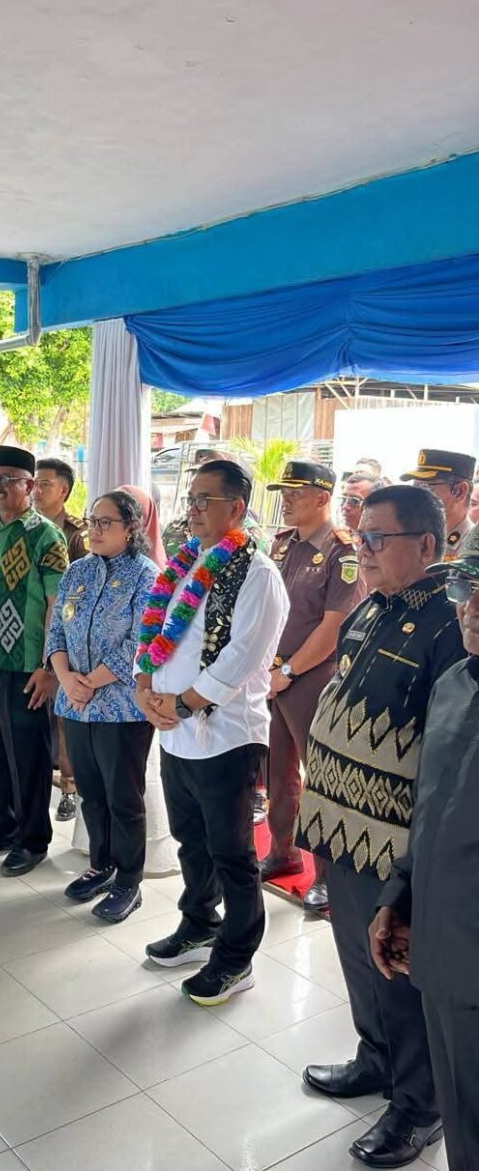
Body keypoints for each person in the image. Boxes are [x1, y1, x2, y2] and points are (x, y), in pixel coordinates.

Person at [295, 486, 465, 1169]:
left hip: (393, 838)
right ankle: (376, 1057)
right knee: (358, 957)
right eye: (359, 535)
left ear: (425, 544)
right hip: (342, 825)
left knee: (398, 969)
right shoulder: (372, 607)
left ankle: (420, 1105)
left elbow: (448, 744)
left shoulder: (450, 622)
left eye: (376, 539)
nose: (360, 549)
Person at [135, 460, 289, 1005]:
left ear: (237, 508)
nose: (194, 509)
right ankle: (199, 922)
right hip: (175, 731)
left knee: (232, 853)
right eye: (191, 498)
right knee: (191, 840)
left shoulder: (257, 573)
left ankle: (236, 959)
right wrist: (143, 686)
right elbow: (154, 635)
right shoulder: (185, 563)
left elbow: (242, 659)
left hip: (226, 736)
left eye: (206, 499)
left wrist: (181, 703)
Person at [371, 526, 479, 1171]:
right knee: (462, 1117)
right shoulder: (458, 682)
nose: (473, 608)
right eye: (469, 587)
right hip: (443, 951)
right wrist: (400, 898)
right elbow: (431, 812)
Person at [260, 461, 366, 915]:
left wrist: (288, 671)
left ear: (323, 497)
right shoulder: (283, 544)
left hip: (313, 677)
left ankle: (326, 875)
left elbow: (334, 627)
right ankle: (282, 851)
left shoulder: (343, 552)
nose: (286, 500)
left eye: (295, 493)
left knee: (319, 778)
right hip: (273, 677)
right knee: (277, 773)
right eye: (284, 492)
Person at [47, 490, 156, 922]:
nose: (94, 529)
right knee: (91, 792)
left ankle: (129, 880)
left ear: (131, 528)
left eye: (105, 522)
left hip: (122, 707)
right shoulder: (78, 571)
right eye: (92, 521)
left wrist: (91, 681)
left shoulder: (146, 576)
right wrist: (66, 678)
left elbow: (142, 641)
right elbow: (57, 630)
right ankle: (102, 864)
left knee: (123, 797)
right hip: (75, 703)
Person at [0, 446, 69, 876]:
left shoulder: (46, 536)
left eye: (8, 478)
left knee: (28, 756)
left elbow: (58, 605)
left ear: (30, 485)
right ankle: (0, 828)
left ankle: (32, 840)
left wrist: (48, 666)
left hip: (27, 666)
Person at [33, 457, 88, 822]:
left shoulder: (77, 535)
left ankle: (69, 786)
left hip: (66, 641)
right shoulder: (26, 528)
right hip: (30, 637)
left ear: (64, 490)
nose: (36, 490)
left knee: (65, 717)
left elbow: (80, 598)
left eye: (45, 484)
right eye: (34, 483)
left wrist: (62, 655)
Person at [401, 448, 476, 559]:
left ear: (459, 491)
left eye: (425, 487)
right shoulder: (412, 539)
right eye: (415, 487)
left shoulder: (472, 550)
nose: (415, 497)